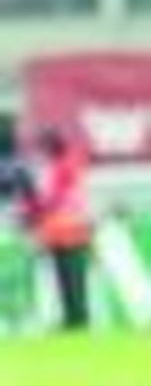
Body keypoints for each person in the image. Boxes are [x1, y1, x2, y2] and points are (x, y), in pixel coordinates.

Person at [17, 127, 93, 330]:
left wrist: (31, 204)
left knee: (70, 279)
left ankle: (77, 320)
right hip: (66, 230)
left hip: (67, 231)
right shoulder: (63, 164)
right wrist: (33, 205)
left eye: (43, 146)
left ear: (51, 146)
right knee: (69, 279)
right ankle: (74, 319)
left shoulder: (63, 166)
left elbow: (53, 200)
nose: (41, 152)